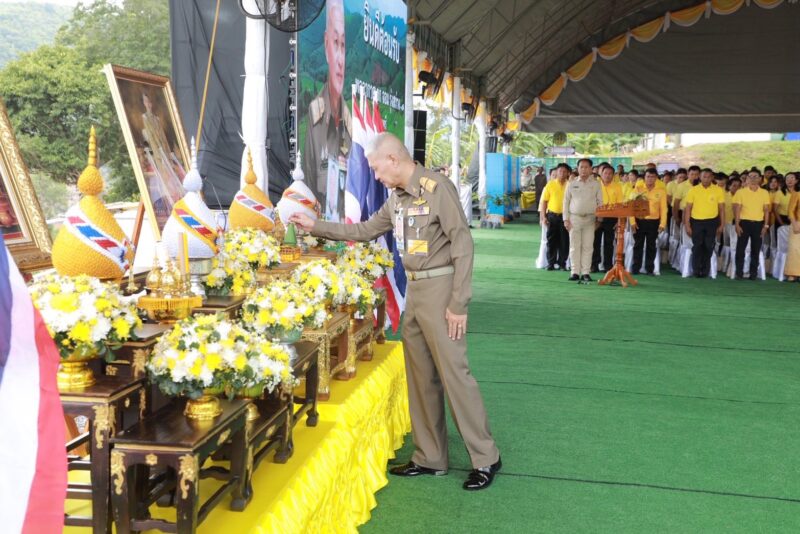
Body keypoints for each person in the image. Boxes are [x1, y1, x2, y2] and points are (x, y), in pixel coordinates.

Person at [290, 133, 501, 490]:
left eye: (375, 167)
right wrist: (317, 227)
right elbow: (365, 230)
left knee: (455, 376)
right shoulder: (398, 199)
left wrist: (458, 303)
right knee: (420, 378)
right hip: (416, 291)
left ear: (392, 159)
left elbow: (463, 243)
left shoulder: (437, 188)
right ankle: (430, 457)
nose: (374, 175)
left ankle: (486, 457)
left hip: (441, 288)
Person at [302, 0, 352, 222]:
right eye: (335, 43)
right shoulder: (315, 118)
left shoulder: (353, 125)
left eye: (343, 45)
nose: (340, 59)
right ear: (325, 45)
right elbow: (309, 186)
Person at [563, 158, 603, 282]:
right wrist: (565, 219)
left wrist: (599, 219)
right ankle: (574, 272)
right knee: (574, 246)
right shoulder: (572, 183)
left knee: (588, 246)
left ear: (591, 169)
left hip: (591, 219)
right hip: (574, 218)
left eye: (586, 167)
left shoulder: (596, 184)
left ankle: (586, 272)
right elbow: (565, 202)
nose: (584, 169)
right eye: (581, 167)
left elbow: (600, 202)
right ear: (578, 168)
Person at [683, 168, 724, 278]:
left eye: (709, 177)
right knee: (697, 246)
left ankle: (705, 271)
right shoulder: (693, 190)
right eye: (704, 176)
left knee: (708, 246)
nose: (706, 179)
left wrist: (722, 224)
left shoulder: (718, 190)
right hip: (696, 222)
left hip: (712, 222)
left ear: (712, 177)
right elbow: (688, 209)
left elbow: (721, 209)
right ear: (700, 177)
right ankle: (696, 270)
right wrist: (687, 225)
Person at [732, 170, 771, 280]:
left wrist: (766, 226)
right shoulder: (741, 192)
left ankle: (753, 274)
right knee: (740, 249)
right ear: (747, 179)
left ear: (760, 179)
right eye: (751, 177)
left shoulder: (764, 192)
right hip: (744, 223)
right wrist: (737, 224)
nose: (753, 179)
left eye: (756, 177)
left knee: (756, 249)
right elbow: (738, 209)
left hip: (758, 224)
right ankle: (739, 273)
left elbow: (766, 210)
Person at [630, 169, 667, 275]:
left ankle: (649, 269)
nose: (650, 179)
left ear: (656, 178)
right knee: (638, 245)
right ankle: (635, 268)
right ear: (644, 177)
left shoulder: (661, 191)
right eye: (648, 176)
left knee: (651, 246)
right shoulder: (637, 189)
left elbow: (664, 209)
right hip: (639, 221)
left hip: (654, 222)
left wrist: (662, 223)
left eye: (652, 177)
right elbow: (631, 207)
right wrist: (632, 221)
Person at [539, 163, 570, 270]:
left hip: (565, 217)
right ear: (556, 172)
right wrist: (543, 217)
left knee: (564, 241)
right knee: (551, 241)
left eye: (564, 171)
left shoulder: (571, 185)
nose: (562, 173)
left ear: (568, 173)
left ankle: (562, 263)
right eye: (560, 171)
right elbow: (544, 202)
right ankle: (550, 263)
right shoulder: (550, 185)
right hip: (552, 216)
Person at [592, 164, 622, 272]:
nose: (608, 175)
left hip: (611, 218)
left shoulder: (618, 186)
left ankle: (608, 266)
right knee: (595, 242)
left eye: (610, 174)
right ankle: (594, 265)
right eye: (605, 173)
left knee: (609, 243)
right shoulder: (595, 185)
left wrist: (618, 219)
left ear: (613, 175)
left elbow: (620, 204)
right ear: (601, 174)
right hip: (597, 217)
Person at [785, 185, 800, 281]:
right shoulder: (796, 193)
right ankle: (793, 274)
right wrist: (794, 224)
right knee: (794, 249)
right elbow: (790, 210)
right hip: (797, 223)